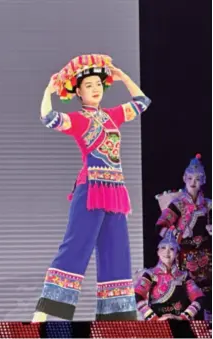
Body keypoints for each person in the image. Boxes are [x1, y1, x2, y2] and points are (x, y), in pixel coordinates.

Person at [32, 54, 152, 321]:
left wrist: (123, 77)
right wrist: (48, 91)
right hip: (90, 189)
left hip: (115, 191)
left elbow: (142, 102)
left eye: (99, 83)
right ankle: (47, 310)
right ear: (78, 92)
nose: (96, 88)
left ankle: (117, 319)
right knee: (77, 246)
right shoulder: (78, 119)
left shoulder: (112, 115)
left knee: (116, 251)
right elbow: (49, 118)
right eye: (89, 85)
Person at [155, 154, 212, 320]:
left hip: (208, 258)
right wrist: (178, 233)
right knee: (189, 298)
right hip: (184, 258)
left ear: (204, 180)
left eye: (198, 178)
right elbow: (161, 227)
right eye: (190, 178)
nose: (193, 182)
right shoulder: (177, 204)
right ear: (184, 178)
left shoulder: (209, 204)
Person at [134, 232, 205, 320]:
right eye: (163, 248)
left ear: (177, 253)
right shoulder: (150, 274)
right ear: (158, 251)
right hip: (157, 325)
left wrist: (183, 317)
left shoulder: (184, 276)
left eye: (172, 249)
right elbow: (137, 296)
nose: (167, 252)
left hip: (179, 324)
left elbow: (199, 297)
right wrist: (153, 318)